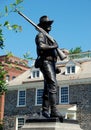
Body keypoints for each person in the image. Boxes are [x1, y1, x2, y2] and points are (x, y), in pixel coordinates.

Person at [35, 15, 63, 121]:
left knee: (48, 88)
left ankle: (45, 110)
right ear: (42, 26)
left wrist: (55, 67)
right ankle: (54, 111)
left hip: (51, 63)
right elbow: (41, 47)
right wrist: (54, 46)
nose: (50, 26)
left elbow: (53, 54)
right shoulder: (40, 35)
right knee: (53, 85)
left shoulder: (50, 38)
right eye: (47, 24)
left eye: (50, 24)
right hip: (45, 62)